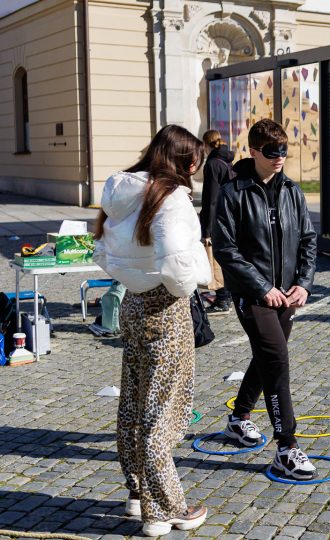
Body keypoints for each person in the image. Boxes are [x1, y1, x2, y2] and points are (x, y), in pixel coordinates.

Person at [93, 125, 211, 537]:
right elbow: (177, 261)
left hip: (135, 304)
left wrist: (135, 276)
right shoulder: (170, 196)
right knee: (162, 408)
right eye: (195, 158)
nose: (198, 165)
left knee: (134, 402)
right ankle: (165, 509)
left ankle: (138, 492)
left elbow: (102, 251)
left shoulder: (123, 192)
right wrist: (190, 284)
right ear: (185, 159)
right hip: (164, 305)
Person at [213, 119, 319, 480]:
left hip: (286, 295)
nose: (280, 158)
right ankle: (287, 447)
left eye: (284, 151)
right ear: (254, 151)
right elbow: (226, 250)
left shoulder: (292, 190)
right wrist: (262, 288)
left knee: (265, 356)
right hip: (253, 295)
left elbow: (308, 239)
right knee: (276, 359)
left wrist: (303, 283)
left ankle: (238, 419)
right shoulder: (233, 193)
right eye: (272, 152)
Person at [199, 129, 235, 313]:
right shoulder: (227, 160)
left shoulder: (213, 164)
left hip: (217, 217)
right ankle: (226, 297)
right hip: (229, 215)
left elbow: (210, 198)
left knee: (216, 259)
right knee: (226, 257)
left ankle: (222, 300)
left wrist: (207, 229)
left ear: (206, 144)